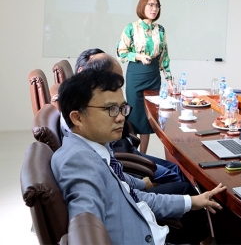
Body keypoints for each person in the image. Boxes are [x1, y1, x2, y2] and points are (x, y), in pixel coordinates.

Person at [51, 69, 226, 244]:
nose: (121, 118)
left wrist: (192, 201)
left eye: (122, 108)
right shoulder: (79, 162)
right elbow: (85, 230)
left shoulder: (95, 146)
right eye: (110, 109)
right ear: (77, 118)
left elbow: (130, 197)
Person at [62, 48, 187, 184]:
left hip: (126, 152)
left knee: (177, 170)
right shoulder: (79, 157)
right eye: (114, 80)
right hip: (124, 156)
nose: (120, 117)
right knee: (179, 180)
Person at [117, 0, 172, 154]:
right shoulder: (131, 28)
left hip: (153, 76)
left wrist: (169, 78)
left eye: (157, 6)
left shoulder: (160, 30)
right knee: (135, 116)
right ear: (142, 6)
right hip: (136, 74)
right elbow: (121, 53)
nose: (154, 9)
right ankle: (132, 153)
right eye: (150, 5)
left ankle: (143, 155)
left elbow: (164, 56)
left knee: (148, 117)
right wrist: (139, 56)